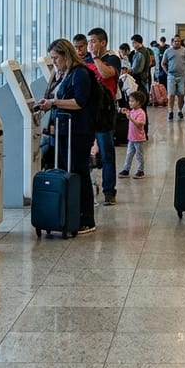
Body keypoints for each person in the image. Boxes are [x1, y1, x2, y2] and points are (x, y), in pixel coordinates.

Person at [37, 38, 97, 234]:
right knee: (66, 171)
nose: (53, 61)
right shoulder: (63, 74)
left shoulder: (80, 74)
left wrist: (54, 103)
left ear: (66, 55)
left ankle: (87, 218)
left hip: (77, 132)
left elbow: (80, 102)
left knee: (79, 172)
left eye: (55, 58)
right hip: (64, 131)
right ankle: (70, 214)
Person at [85, 27, 121, 207]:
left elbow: (107, 74)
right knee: (85, 152)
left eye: (93, 41)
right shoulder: (85, 59)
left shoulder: (112, 59)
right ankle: (88, 189)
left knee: (107, 153)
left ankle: (109, 191)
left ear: (103, 42)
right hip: (87, 112)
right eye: (89, 42)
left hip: (105, 112)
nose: (90, 45)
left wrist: (96, 59)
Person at [119, 91, 148, 179]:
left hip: (139, 139)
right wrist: (126, 112)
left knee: (139, 155)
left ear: (138, 102)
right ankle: (126, 169)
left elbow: (140, 124)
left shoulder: (141, 113)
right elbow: (129, 113)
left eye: (132, 101)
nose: (130, 103)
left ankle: (140, 170)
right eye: (130, 101)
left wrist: (130, 118)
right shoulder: (132, 111)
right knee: (129, 154)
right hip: (131, 138)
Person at [162, 35, 185, 120]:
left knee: (181, 94)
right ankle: (170, 111)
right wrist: (167, 72)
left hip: (182, 76)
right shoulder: (167, 51)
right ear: (172, 42)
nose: (177, 42)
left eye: (179, 41)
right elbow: (163, 63)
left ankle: (180, 110)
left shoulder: (184, 50)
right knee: (171, 94)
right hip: (171, 75)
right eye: (175, 41)